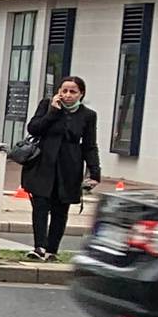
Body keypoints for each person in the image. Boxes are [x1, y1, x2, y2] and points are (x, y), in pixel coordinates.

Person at [21, 76, 100, 260]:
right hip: (43, 163)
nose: (67, 95)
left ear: (81, 94)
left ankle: (52, 250)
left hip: (69, 166)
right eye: (64, 91)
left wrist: (94, 172)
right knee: (40, 205)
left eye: (73, 91)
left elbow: (89, 145)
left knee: (60, 209)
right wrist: (52, 112)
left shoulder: (88, 115)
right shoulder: (47, 105)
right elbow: (33, 128)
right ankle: (39, 247)